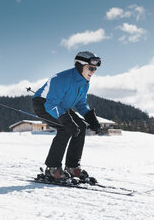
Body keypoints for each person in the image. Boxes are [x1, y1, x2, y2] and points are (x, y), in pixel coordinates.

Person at [32, 51, 102, 181]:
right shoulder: (62, 79)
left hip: (60, 106)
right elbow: (51, 104)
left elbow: (80, 103)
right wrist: (67, 121)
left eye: (95, 69)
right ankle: (52, 168)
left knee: (80, 126)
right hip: (44, 104)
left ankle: (72, 167)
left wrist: (91, 118)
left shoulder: (84, 83)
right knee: (65, 128)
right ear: (80, 65)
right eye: (90, 68)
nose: (93, 71)